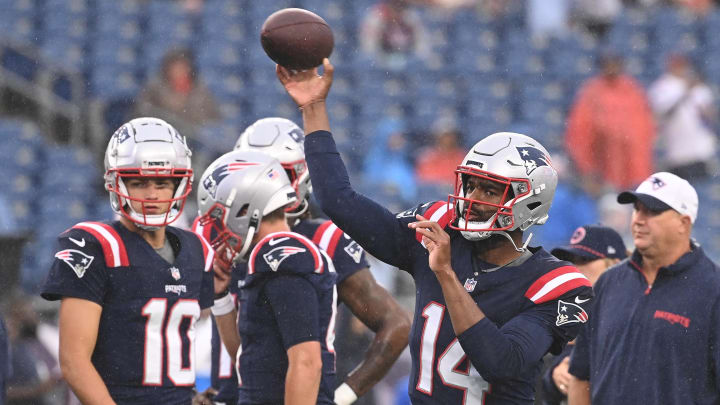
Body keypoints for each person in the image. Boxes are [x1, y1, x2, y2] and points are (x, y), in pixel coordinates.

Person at [276, 59, 594, 404]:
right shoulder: (442, 228)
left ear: (529, 202)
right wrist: (313, 108)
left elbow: (501, 361)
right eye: (470, 186)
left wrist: (445, 274)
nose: (472, 199)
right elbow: (339, 201)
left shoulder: (557, 284)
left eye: (490, 191)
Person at [197, 117, 409, 405]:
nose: (262, 180)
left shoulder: (309, 245)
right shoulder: (233, 236)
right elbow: (250, 350)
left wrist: (344, 395)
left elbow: (395, 325)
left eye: (275, 171)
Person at [40, 117, 215, 405]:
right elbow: (74, 361)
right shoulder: (97, 246)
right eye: (138, 183)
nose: (151, 194)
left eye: (161, 183)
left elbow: (170, 350)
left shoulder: (196, 249)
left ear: (179, 184)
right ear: (116, 182)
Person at [196, 150, 337, 405]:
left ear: (245, 209)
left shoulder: (282, 255)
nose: (217, 228)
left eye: (219, 217)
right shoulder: (265, 256)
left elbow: (306, 362)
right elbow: (248, 357)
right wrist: (220, 297)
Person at [567, 172, 720, 404]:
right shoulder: (609, 283)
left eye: (653, 211)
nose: (638, 219)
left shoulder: (713, 290)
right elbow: (580, 376)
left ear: (683, 223)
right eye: (637, 209)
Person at [536, 225, 627, 405]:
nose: (574, 267)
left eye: (585, 259)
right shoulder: (562, 308)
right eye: (570, 260)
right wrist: (554, 375)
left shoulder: (633, 307)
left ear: (615, 265)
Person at [566, 53, 655, 193]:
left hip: (629, 164)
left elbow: (643, 127)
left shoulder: (632, 90)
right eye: (608, 64)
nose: (611, 68)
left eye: (614, 64)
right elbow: (580, 129)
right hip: (601, 162)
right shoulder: (592, 91)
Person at [648, 53, 717, 181]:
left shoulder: (698, 86)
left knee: (701, 190)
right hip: (677, 154)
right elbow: (662, 113)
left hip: (701, 151)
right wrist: (685, 92)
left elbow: (710, 115)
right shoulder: (662, 86)